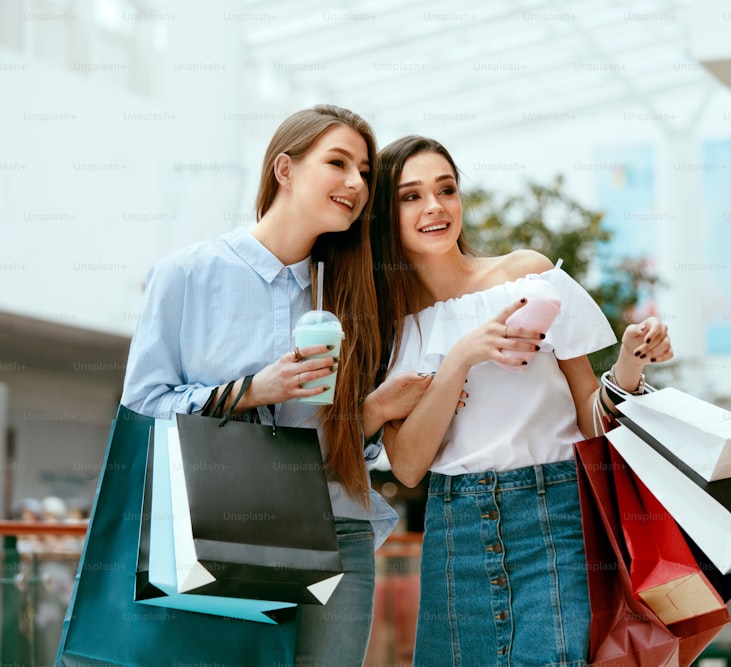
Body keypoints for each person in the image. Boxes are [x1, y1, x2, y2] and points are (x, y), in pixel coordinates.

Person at [121, 105, 434, 665]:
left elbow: (342, 445)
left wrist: (374, 411)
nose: (356, 183)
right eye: (337, 162)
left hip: (339, 525)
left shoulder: (357, 292)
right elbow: (142, 409)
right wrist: (253, 390)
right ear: (284, 169)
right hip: (222, 523)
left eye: (364, 171)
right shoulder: (187, 274)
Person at [369, 135, 673, 665]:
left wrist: (628, 365)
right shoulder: (389, 328)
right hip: (454, 527)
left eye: (446, 188)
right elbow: (410, 467)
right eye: (411, 196)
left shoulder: (526, 276)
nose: (435, 207)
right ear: (385, 214)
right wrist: (462, 357)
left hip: (554, 515)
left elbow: (590, 419)